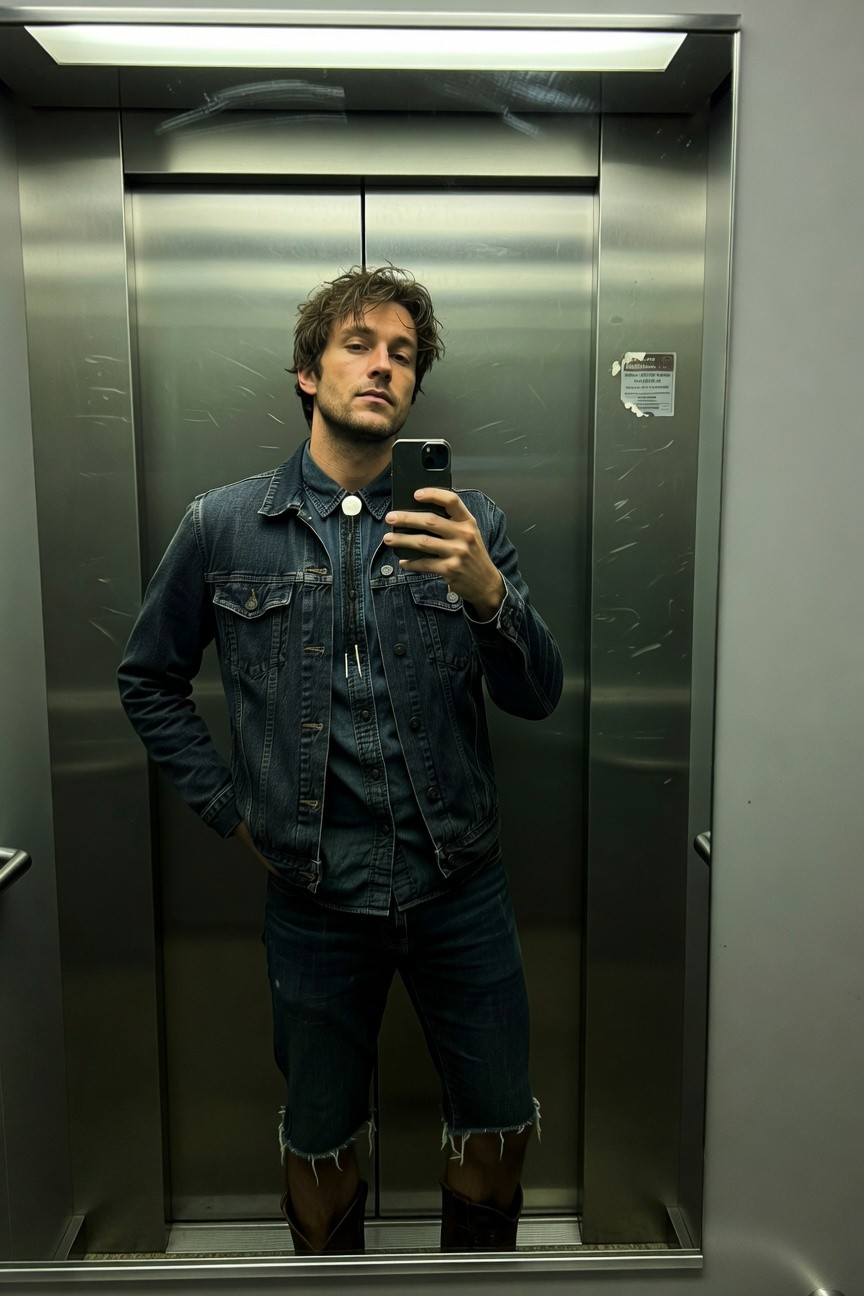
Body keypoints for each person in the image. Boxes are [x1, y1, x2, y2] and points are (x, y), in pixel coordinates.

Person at [118, 266, 563, 1256]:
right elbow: (145, 678)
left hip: (460, 888)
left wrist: (491, 596)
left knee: (497, 1129)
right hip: (314, 896)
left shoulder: (469, 524)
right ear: (307, 376)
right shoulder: (224, 526)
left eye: (402, 353)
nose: (383, 365)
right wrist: (234, 810)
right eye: (359, 344)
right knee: (318, 1146)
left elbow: (539, 696)